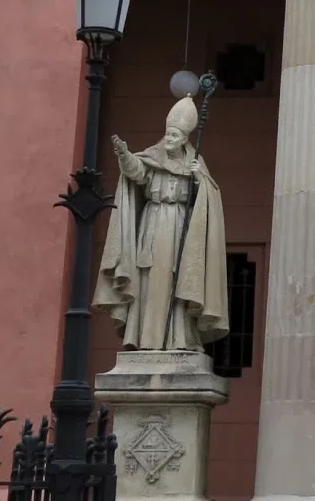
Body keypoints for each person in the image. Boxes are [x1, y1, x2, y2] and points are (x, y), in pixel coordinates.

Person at [95, 92, 229, 352]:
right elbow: (136, 171)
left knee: (177, 279)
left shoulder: (195, 163)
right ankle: (145, 338)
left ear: (185, 138)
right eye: (168, 134)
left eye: (175, 136)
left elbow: (209, 198)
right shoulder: (153, 157)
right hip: (153, 222)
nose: (170, 139)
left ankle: (179, 339)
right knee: (149, 278)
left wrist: (199, 179)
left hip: (180, 225)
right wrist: (124, 155)